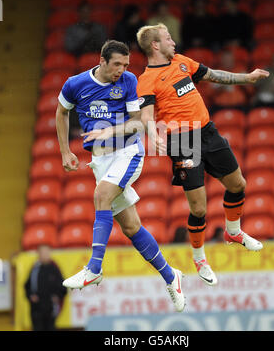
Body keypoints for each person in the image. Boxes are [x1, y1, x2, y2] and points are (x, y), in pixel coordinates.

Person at [56, 40, 185, 312]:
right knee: (131, 227)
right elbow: (61, 112)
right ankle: (172, 277)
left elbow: (138, 122)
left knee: (101, 195)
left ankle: (94, 268)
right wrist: (65, 151)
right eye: (117, 64)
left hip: (128, 152)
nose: (122, 70)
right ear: (102, 61)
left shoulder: (127, 82)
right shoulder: (75, 84)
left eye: (126, 65)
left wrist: (108, 132)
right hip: (101, 161)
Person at [136, 23, 269, 286]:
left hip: (208, 132)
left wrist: (247, 77)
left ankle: (233, 232)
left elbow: (213, 75)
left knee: (238, 184)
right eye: (167, 38)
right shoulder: (146, 80)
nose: (173, 42)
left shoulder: (182, 62)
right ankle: (199, 258)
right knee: (199, 207)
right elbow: (147, 115)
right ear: (155, 45)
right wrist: (154, 134)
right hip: (183, 142)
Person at [24, 244, 67, 331]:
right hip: (37, 308)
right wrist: (30, 296)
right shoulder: (35, 269)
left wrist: (58, 296)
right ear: (38, 254)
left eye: (47, 252)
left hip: (50, 307)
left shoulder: (54, 269)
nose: (45, 255)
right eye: (43, 253)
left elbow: (63, 286)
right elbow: (27, 285)